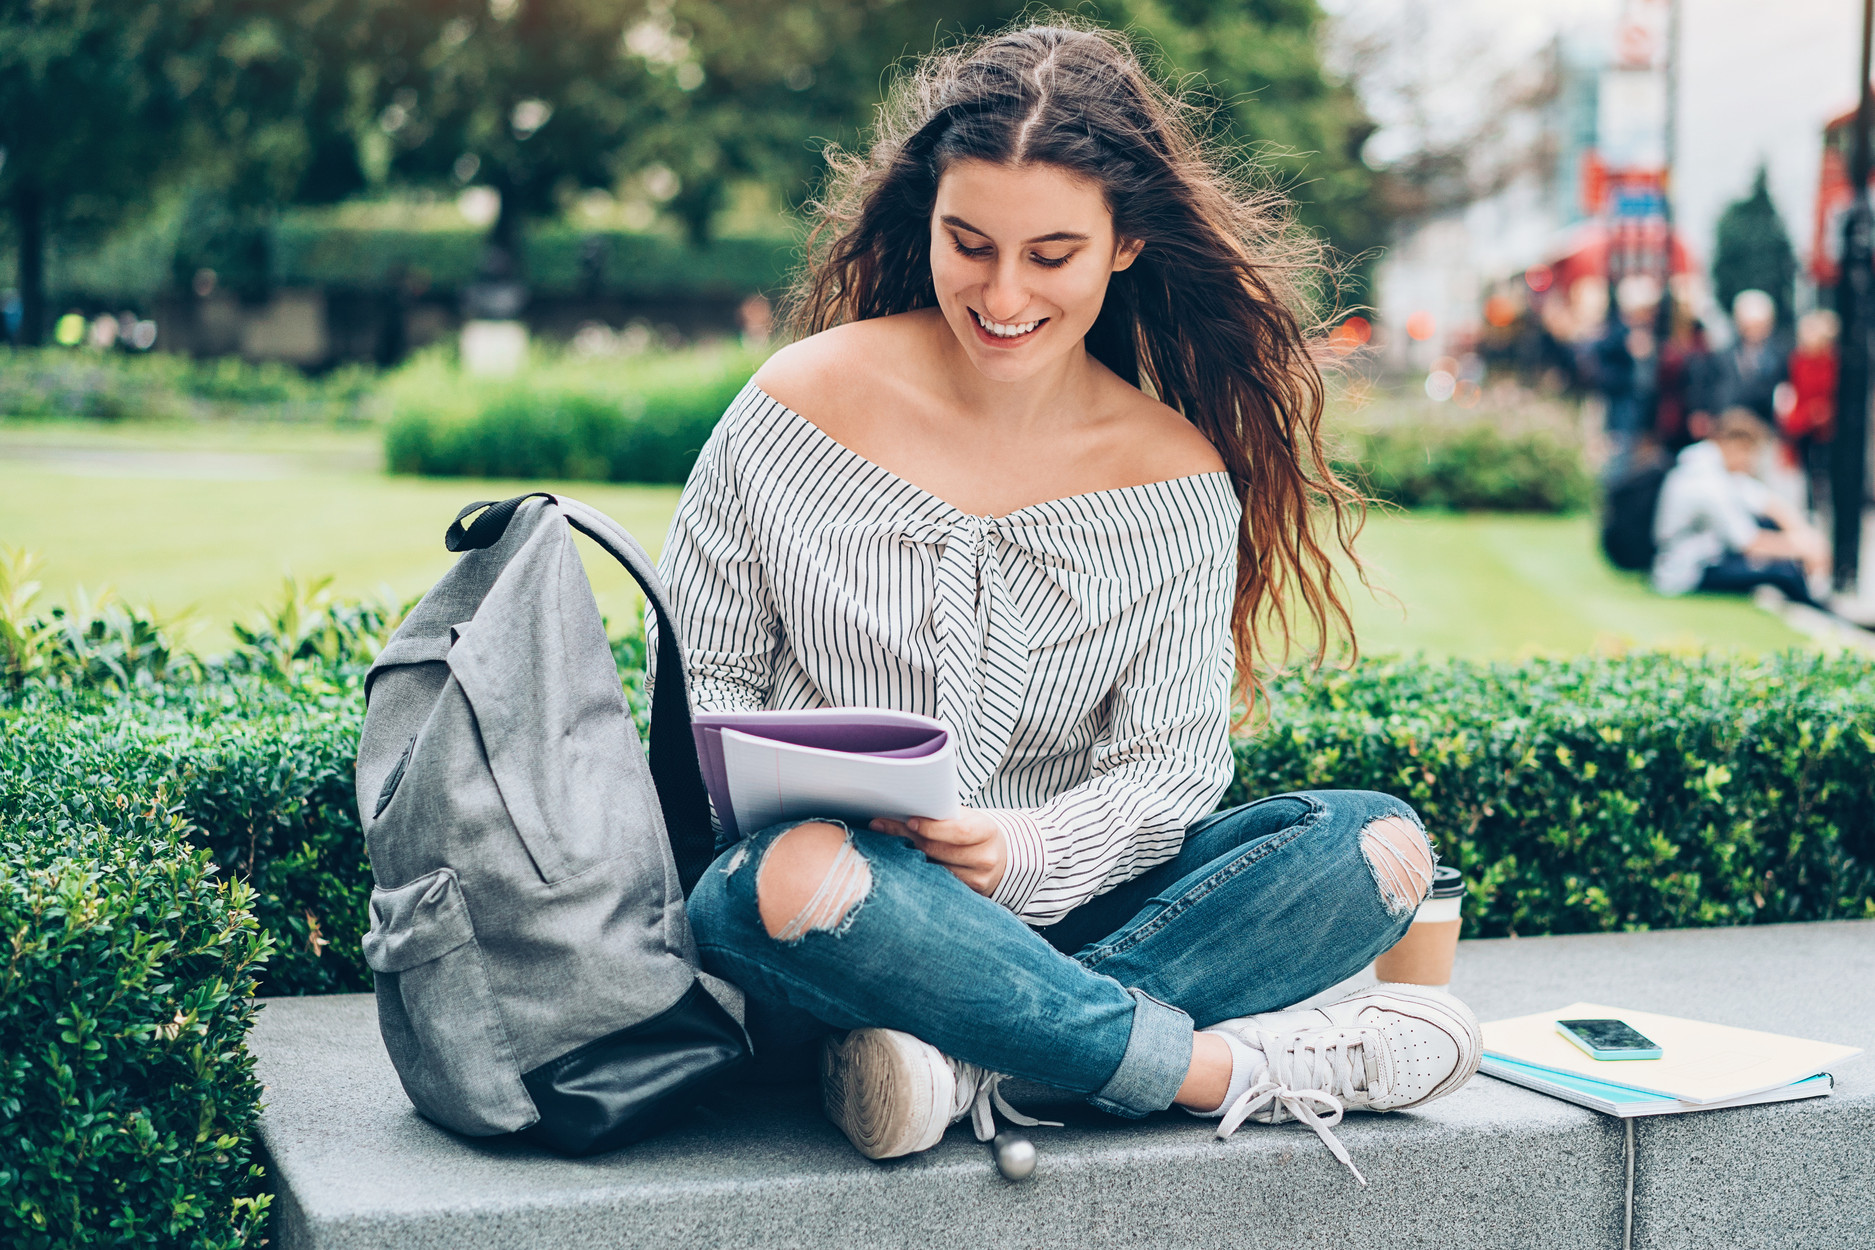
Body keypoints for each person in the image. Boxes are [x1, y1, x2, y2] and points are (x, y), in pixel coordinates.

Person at [654, 22, 1480, 1186]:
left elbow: (1170, 769)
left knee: (1377, 848)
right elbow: (697, 693)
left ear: (1126, 241)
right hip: (837, 909)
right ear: (927, 219)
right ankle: (1214, 1071)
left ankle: (980, 1066)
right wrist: (808, 795)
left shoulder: (1177, 479)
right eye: (969, 243)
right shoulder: (795, 407)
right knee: (782, 881)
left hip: (1072, 913)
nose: (1002, 294)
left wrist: (1015, 848)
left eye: (1052, 254)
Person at [1652, 407, 1828, 605]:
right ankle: (1817, 605)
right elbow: (1748, 542)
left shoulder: (1714, 467)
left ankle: (1816, 595)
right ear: (1732, 445)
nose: (1751, 462)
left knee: (1773, 533)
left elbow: (1769, 504)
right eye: (1749, 453)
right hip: (1688, 572)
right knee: (1782, 572)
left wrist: (1808, 538)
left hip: (1709, 557)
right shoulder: (1705, 482)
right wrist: (1802, 548)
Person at [1591, 274, 1663, 479]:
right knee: (1617, 468)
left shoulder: (1653, 334)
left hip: (1646, 417)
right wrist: (1628, 352)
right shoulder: (1613, 336)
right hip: (1620, 415)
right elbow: (1601, 375)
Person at [1695, 289, 1788, 428]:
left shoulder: (1780, 358)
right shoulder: (1721, 357)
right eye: (1749, 325)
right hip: (1728, 430)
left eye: (1759, 325)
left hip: (1765, 430)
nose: (1754, 331)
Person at [1782, 309, 1840, 511]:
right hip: (1803, 419)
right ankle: (1811, 504)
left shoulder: (1833, 361)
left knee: (1827, 466)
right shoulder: (1798, 360)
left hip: (1827, 421)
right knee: (1806, 469)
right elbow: (1792, 390)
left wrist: (1824, 411)